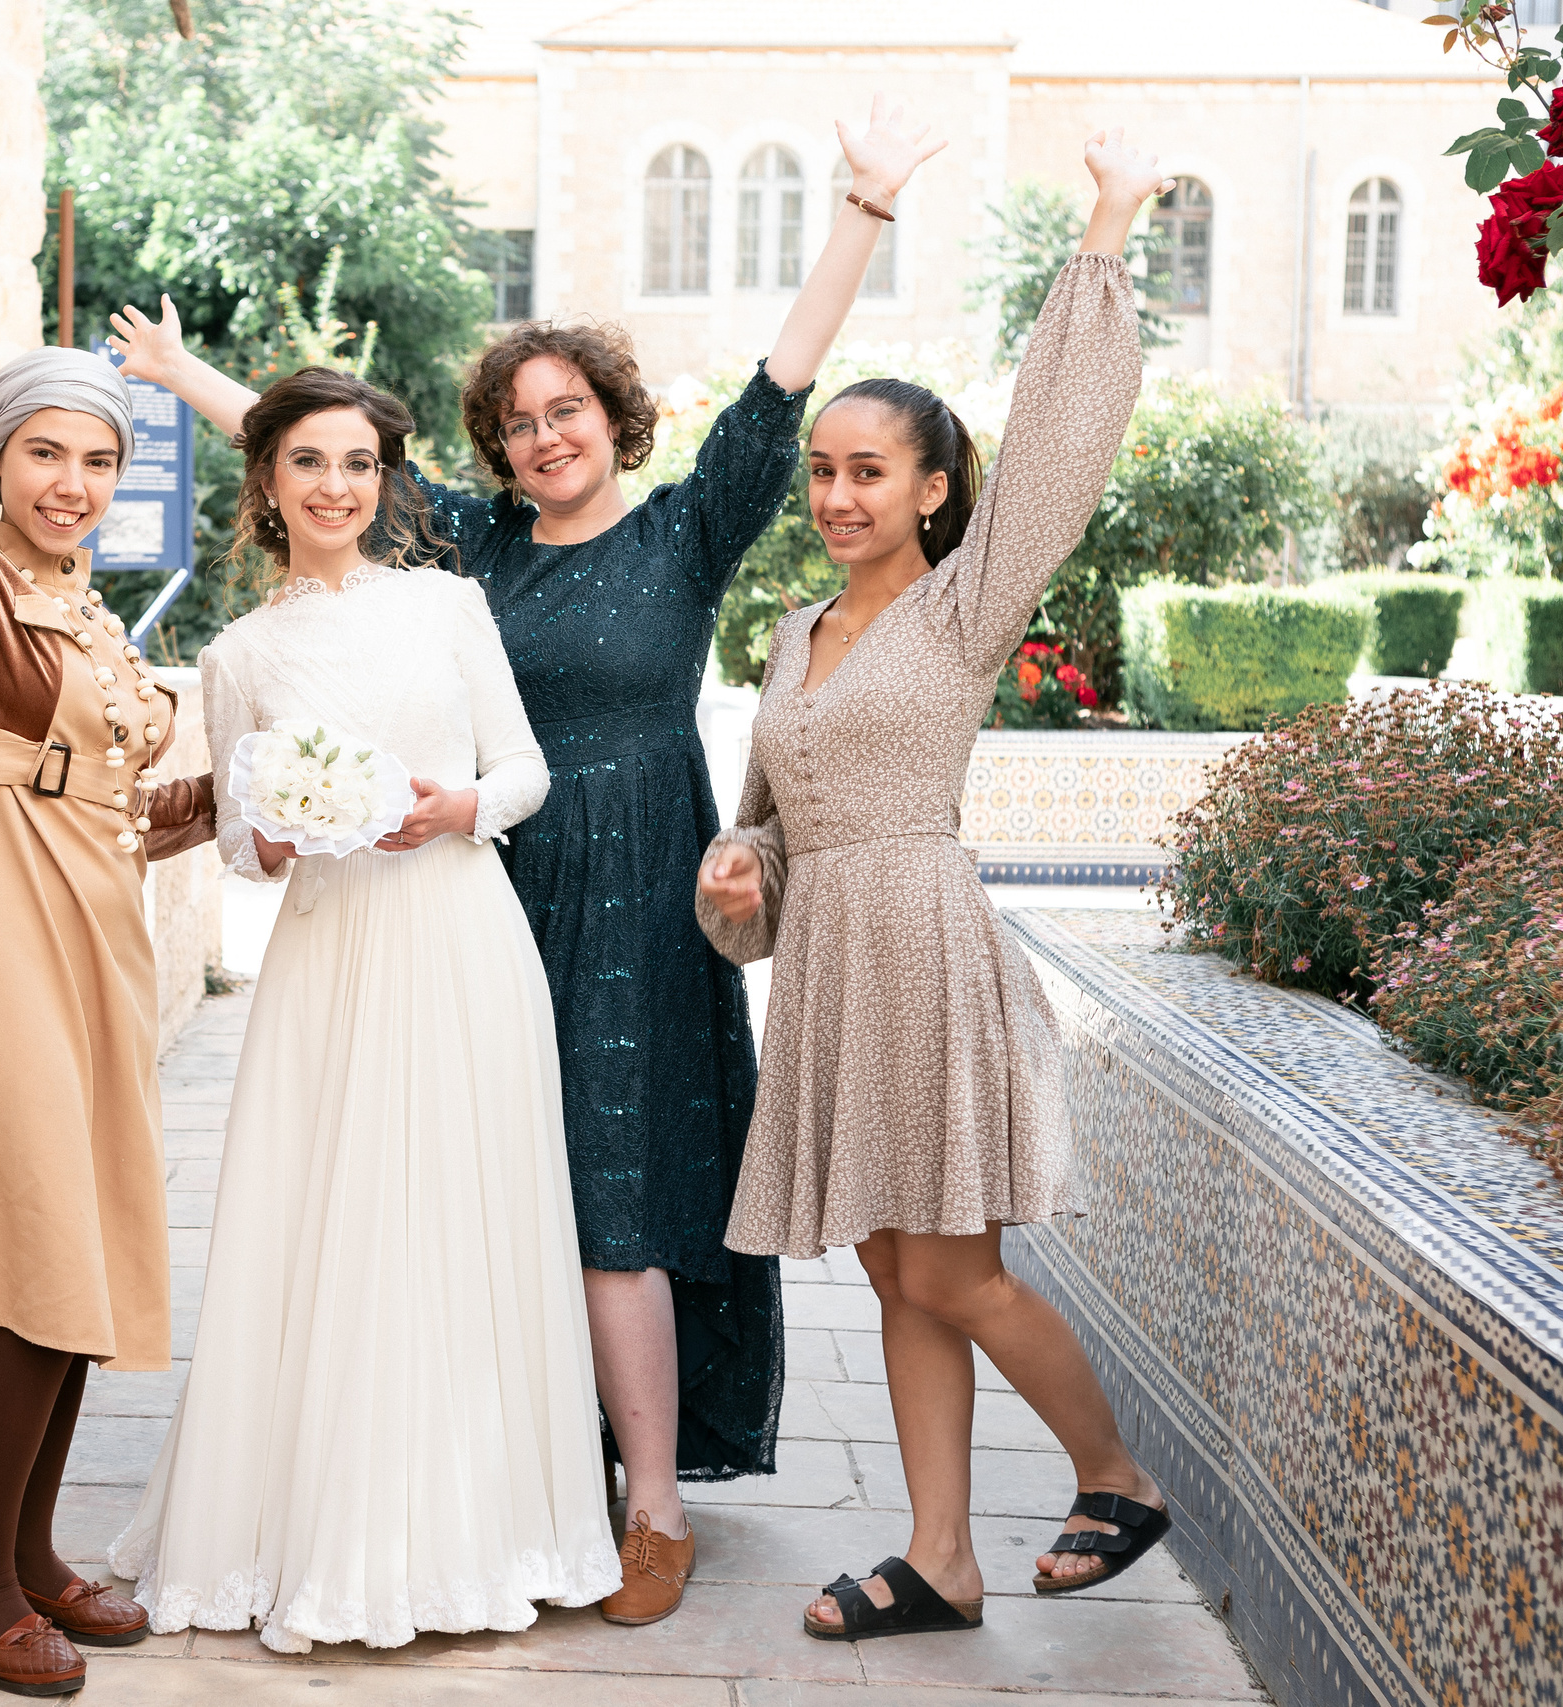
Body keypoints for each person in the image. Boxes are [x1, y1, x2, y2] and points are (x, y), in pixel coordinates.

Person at [105, 96, 946, 1627]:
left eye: (567, 411)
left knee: (620, 1195)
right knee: (499, 1189)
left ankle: (650, 1500)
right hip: (478, 894)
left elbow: (779, 386)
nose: (543, 436)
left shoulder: (687, 534)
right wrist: (178, 378)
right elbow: (318, 465)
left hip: (639, 897)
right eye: (517, 420)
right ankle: (516, 1471)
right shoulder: (470, 555)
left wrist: (864, 215)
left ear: (612, 418)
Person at [693, 131, 1174, 1642]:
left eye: (867, 470)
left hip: (920, 939)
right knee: (900, 1261)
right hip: (833, 953)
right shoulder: (788, 631)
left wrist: (1103, 230)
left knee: (955, 1268)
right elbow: (770, 834)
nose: (836, 494)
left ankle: (1116, 1473)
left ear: (931, 486)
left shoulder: (966, 604)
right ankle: (941, 1557)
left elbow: (1059, 448)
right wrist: (739, 862)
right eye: (823, 470)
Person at [106, 365, 620, 1652]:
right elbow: (231, 831)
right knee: (329, 1216)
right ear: (267, 484)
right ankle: (314, 1533)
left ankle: (479, 1532)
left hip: (456, 931)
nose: (334, 487)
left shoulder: (448, 607)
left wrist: (458, 809)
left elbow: (525, 768)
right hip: (331, 956)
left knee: (463, 1206)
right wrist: (272, 841)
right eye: (307, 464)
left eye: (355, 463)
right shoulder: (239, 653)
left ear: (383, 480)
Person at [0, 45, 215, 1696]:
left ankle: (31, 1555)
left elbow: (112, 795)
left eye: (99, 460)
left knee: (79, 1263)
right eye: (47, 457)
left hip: (95, 937)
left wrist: (218, 806)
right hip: (3, 944)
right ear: (1, 469)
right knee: (32, 1265)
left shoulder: (86, 612)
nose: (74, 484)